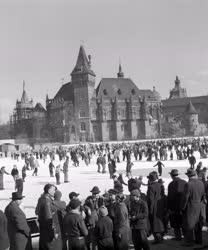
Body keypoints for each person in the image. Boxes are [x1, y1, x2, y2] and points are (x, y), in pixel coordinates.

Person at [180, 169, 206, 246]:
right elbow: (203, 195)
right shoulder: (201, 183)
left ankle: (189, 242)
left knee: (189, 225)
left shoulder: (188, 184)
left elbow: (185, 198)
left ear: (188, 175)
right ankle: (199, 240)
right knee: (198, 224)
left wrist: (182, 207)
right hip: (199, 206)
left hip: (190, 207)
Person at [35, 183, 62, 250]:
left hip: (43, 229)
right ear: (49, 190)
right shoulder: (47, 201)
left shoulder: (41, 198)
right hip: (48, 231)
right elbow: (49, 218)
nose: (54, 192)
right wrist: (53, 232)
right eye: (53, 190)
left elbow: (36, 211)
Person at [167, 169, 186, 240]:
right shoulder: (184, 182)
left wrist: (169, 208)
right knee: (184, 222)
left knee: (176, 224)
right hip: (183, 206)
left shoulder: (171, 184)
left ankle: (178, 237)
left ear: (171, 176)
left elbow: (170, 197)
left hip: (174, 208)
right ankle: (186, 236)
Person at [147, 171, 165, 243]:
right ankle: (161, 236)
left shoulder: (151, 187)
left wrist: (150, 210)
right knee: (160, 221)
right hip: (160, 205)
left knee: (155, 223)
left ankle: (158, 239)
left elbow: (151, 200)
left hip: (154, 207)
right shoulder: (160, 185)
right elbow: (163, 195)